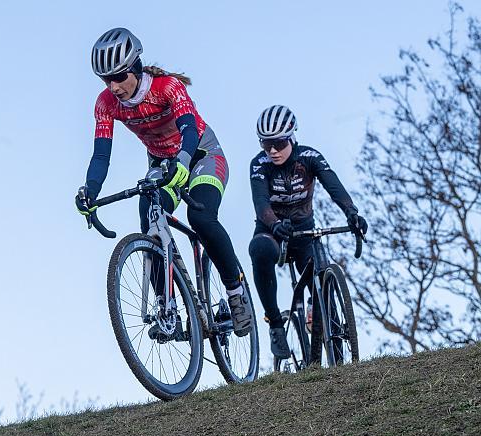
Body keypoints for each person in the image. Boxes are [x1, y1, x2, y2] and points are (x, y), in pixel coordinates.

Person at [75, 27, 252, 336]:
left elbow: (188, 127)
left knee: (200, 217)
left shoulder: (166, 87)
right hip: (161, 162)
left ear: (135, 68)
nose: (113, 87)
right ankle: (165, 306)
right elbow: (101, 155)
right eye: (106, 80)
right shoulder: (105, 104)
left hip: (200, 154)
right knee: (150, 215)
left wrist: (183, 159)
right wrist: (89, 191)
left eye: (118, 77)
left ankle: (236, 293)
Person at [248, 105, 368, 359]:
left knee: (323, 279)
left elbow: (333, 184)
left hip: (304, 230)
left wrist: (352, 213)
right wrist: (274, 225)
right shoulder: (259, 164)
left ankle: (336, 351)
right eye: (265, 143)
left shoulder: (310, 157)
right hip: (272, 229)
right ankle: (276, 325)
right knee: (259, 250)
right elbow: (260, 203)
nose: (272, 150)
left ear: (291, 137)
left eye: (278, 143)